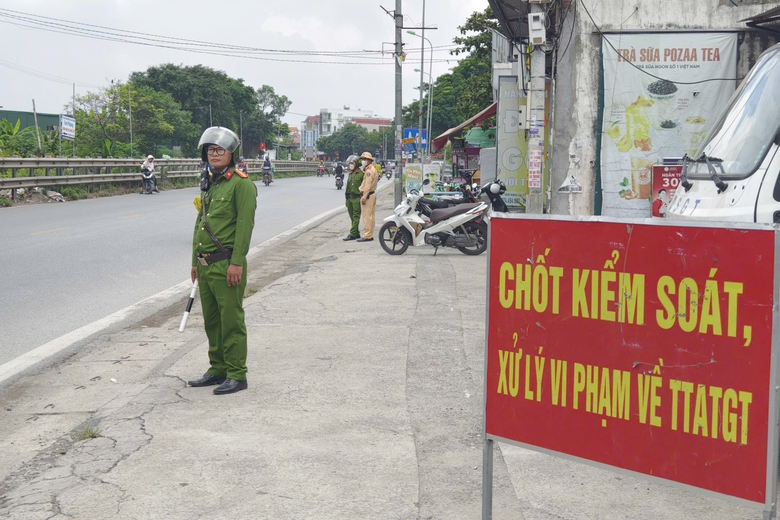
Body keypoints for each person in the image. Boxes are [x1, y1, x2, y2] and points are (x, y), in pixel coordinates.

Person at [188, 127, 257, 395]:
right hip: (206, 266)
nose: (214, 154)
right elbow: (200, 224)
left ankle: (237, 374)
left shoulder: (242, 184)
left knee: (231, 320)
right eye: (210, 150)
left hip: (226, 264)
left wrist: (237, 262)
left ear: (231, 154)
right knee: (212, 321)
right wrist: (195, 261)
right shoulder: (210, 183)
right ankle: (217, 368)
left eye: (219, 150)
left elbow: (244, 226)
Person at [357, 152, 379, 242]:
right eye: (362, 159)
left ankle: (367, 235)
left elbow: (367, 185)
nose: (362, 161)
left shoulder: (369, 171)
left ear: (369, 160)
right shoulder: (371, 169)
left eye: (364, 159)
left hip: (368, 195)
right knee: (371, 216)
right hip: (372, 194)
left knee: (367, 217)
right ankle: (370, 234)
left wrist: (364, 197)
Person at [343, 158, 363, 241]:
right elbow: (348, 187)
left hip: (357, 198)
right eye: (350, 163)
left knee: (356, 216)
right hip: (349, 198)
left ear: (357, 164)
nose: (351, 164)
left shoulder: (361, 174)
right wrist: (346, 200)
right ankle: (356, 233)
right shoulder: (350, 174)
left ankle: (352, 234)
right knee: (352, 216)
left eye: (352, 163)